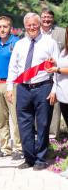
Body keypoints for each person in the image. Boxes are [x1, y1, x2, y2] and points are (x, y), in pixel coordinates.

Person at [8, 13, 59, 170]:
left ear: (39, 25)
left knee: (43, 124)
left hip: (43, 87)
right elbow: (13, 67)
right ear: (25, 26)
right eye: (29, 25)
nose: (32, 27)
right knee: (24, 124)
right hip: (23, 89)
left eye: (34, 24)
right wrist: (10, 88)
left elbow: (56, 68)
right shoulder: (19, 44)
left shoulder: (50, 43)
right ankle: (29, 157)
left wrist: (55, 89)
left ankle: (41, 159)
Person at [0, 16, 22, 160]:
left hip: (13, 84)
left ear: (10, 28)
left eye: (5, 26)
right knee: (1, 119)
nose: (2, 29)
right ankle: (5, 148)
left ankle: (19, 147)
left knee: (16, 118)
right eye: (0, 26)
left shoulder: (17, 42)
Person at [40, 8, 66, 139]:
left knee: (55, 106)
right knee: (39, 107)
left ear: (53, 19)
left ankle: (53, 137)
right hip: (39, 76)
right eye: (44, 17)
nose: (46, 19)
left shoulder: (61, 33)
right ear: (40, 18)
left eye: (49, 17)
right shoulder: (33, 33)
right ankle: (40, 135)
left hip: (57, 75)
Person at [46, 27, 68, 178]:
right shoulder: (64, 50)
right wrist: (55, 63)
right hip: (63, 97)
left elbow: (61, 69)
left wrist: (57, 69)